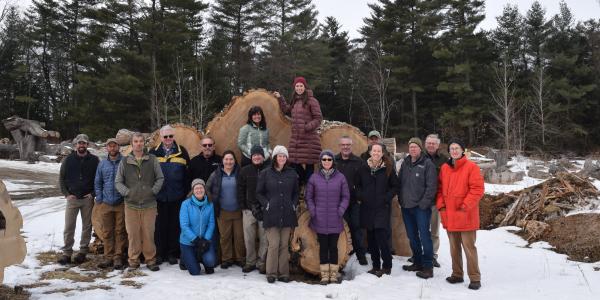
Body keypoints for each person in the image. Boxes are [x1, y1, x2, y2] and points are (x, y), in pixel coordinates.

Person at [436, 140, 485, 290]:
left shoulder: (471, 167)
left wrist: (465, 205)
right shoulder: (444, 168)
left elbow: (477, 189)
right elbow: (439, 189)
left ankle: (475, 278)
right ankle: (457, 274)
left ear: (463, 150)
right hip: (450, 214)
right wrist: (441, 206)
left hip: (466, 215)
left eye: (457, 148)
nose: (454, 151)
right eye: (452, 148)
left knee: (469, 248)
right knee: (454, 247)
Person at [115, 132, 164, 271]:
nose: (138, 144)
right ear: (131, 144)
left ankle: (150, 260)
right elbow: (118, 182)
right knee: (133, 234)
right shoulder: (125, 161)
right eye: (135, 141)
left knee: (148, 233)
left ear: (144, 143)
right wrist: (128, 193)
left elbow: (160, 178)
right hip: (131, 205)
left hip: (149, 205)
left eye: (141, 141)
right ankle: (134, 260)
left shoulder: (152, 159)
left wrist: (152, 191)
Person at [256, 145, 299, 283]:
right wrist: (266, 204)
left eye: (284, 156)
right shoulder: (266, 173)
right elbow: (259, 192)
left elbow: (296, 192)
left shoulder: (292, 173)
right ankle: (271, 273)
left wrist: (293, 203)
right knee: (274, 244)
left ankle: (284, 273)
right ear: (275, 157)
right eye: (279, 156)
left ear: (286, 158)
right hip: (271, 213)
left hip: (287, 212)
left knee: (283, 245)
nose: (281, 158)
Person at [306, 150, 350, 284]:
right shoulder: (314, 177)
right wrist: (313, 211)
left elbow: (346, 196)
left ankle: (334, 274)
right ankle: (325, 275)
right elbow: (309, 197)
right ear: (320, 162)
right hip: (319, 218)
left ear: (333, 162)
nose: (326, 162)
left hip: (335, 218)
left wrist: (341, 210)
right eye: (324, 159)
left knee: (334, 247)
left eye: (329, 159)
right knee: (323, 247)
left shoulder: (340, 177)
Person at [149, 125, 191, 265]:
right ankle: (160, 253)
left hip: (177, 196)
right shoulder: (153, 153)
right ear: (160, 137)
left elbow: (187, 175)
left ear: (174, 136)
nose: (168, 139)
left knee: (175, 225)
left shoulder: (182, 152)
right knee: (160, 226)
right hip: (159, 197)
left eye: (170, 136)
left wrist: (184, 193)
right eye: (165, 136)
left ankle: (172, 253)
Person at [398, 138, 437, 279]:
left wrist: (423, 204)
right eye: (410, 147)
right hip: (406, 207)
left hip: (421, 208)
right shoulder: (405, 163)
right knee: (412, 236)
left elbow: (432, 186)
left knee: (425, 236)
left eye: (415, 147)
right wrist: (401, 199)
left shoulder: (427, 164)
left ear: (420, 149)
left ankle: (428, 266)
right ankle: (417, 261)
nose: (412, 149)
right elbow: (400, 182)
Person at [357, 143, 398, 277]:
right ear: (370, 152)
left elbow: (395, 186)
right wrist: (362, 196)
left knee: (382, 238)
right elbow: (356, 185)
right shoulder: (363, 168)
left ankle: (387, 266)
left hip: (381, 207)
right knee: (371, 239)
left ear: (382, 153)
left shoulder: (388, 168)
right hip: (367, 208)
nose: (376, 153)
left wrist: (386, 198)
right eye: (374, 151)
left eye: (378, 151)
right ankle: (375, 266)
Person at [58, 134, 99, 265]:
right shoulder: (68, 159)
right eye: (79, 143)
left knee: (87, 226)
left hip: (87, 198)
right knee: (69, 226)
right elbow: (61, 178)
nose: (82, 145)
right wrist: (66, 194)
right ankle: (67, 253)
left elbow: (99, 179)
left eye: (84, 143)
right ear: (76, 145)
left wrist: (93, 193)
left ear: (87, 145)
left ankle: (82, 252)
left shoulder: (94, 160)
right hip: (72, 198)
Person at [274, 77, 323, 184]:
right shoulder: (295, 101)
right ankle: (304, 182)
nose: (299, 88)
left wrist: (306, 127)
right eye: (297, 86)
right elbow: (287, 110)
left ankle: (308, 187)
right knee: (293, 162)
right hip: (296, 139)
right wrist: (280, 98)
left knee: (309, 164)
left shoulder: (312, 100)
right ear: (294, 87)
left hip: (309, 139)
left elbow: (318, 118)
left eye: (301, 86)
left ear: (305, 87)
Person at [207, 150, 245, 269]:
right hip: (222, 211)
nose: (228, 161)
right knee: (225, 237)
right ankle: (226, 259)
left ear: (235, 161)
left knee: (239, 236)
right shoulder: (216, 174)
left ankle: (239, 258)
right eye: (226, 159)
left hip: (238, 210)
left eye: (231, 159)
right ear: (222, 161)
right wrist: (213, 200)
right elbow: (207, 188)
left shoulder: (240, 173)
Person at [93, 138, 127, 270]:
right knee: (107, 231)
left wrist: (125, 196)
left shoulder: (124, 162)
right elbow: (98, 182)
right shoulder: (102, 164)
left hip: (121, 202)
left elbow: (129, 180)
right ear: (107, 148)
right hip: (106, 202)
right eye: (110, 146)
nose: (112, 148)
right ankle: (108, 257)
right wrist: (100, 198)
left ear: (118, 147)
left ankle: (118, 257)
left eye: (115, 146)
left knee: (120, 231)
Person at [335, 136, 368, 265]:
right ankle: (343, 254)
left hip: (354, 202)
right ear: (340, 146)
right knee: (341, 228)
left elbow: (365, 182)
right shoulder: (335, 161)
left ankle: (360, 255)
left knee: (356, 228)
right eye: (343, 145)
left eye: (348, 145)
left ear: (351, 146)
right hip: (339, 202)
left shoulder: (358, 162)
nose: (345, 147)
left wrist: (359, 196)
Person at [238, 145, 269, 273]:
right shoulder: (245, 171)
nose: (257, 157)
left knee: (264, 238)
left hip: (264, 209)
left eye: (259, 155)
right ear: (251, 157)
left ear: (263, 156)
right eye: (254, 155)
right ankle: (250, 261)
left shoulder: (268, 170)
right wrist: (243, 206)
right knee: (249, 238)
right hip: (249, 210)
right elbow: (240, 190)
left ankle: (261, 262)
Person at [179, 179, 217, 275]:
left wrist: (206, 239)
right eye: (196, 188)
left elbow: (211, 223)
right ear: (192, 190)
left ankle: (203, 261)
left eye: (201, 188)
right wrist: (196, 240)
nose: (199, 190)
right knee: (195, 272)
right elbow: (184, 225)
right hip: (188, 242)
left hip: (204, 240)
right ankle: (184, 258)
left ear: (204, 189)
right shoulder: (186, 204)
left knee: (211, 261)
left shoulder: (210, 204)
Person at [424, 133, 449, 267]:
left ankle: (433, 255)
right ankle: (421, 253)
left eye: (433, 143)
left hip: (435, 201)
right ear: (425, 144)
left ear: (438, 145)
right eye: (429, 143)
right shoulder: (419, 157)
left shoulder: (444, 160)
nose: (431, 145)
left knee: (434, 231)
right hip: (421, 201)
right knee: (421, 230)